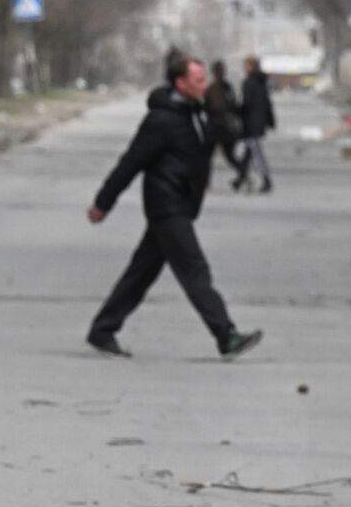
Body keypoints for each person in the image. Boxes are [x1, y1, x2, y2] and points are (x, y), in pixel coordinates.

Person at [85, 55, 263, 360]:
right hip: (166, 204)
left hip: (182, 203)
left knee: (140, 274)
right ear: (180, 83)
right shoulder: (160, 120)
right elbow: (131, 162)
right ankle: (226, 336)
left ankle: (102, 330)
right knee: (195, 271)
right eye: (198, 81)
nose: (204, 85)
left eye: (204, 79)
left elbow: (217, 142)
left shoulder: (197, 113)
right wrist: (103, 202)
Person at [204, 60, 249, 188]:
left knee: (207, 156)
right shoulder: (227, 87)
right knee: (229, 156)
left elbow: (207, 107)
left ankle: (206, 181)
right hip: (226, 127)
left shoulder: (211, 88)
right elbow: (233, 105)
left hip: (214, 127)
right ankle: (243, 173)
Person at [239, 56, 275, 194]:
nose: (244, 68)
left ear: (250, 67)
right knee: (250, 151)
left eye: (246, 65)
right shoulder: (261, 82)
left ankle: (265, 179)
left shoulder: (249, 83)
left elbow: (246, 104)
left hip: (251, 122)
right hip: (259, 122)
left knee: (255, 152)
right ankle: (241, 176)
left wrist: (237, 112)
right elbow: (266, 103)